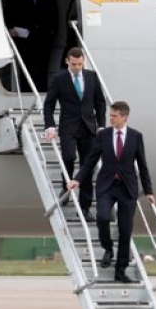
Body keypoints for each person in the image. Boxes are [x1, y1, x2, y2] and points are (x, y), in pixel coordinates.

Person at [67, 101, 156, 283]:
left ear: (124, 117)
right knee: (103, 217)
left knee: (125, 230)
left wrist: (148, 191)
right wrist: (77, 178)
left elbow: (143, 165)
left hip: (127, 188)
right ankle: (108, 248)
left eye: (114, 116)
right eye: (110, 115)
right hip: (107, 185)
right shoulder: (104, 136)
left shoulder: (136, 137)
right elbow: (91, 160)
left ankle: (120, 271)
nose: (111, 118)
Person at [43, 47, 106, 218]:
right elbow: (49, 104)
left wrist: (101, 125)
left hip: (89, 127)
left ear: (83, 61)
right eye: (74, 64)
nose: (77, 67)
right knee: (69, 157)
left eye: (80, 64)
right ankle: (66, 186)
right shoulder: (59, 78)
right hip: (68, 126)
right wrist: (49, 126)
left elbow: (100, 102)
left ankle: (85, 208)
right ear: (67, 61)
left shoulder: (91, 77)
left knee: (87, 167)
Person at [3, 0, 58, 92]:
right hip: (23, 37)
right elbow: (8, 9)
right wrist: (10, 28)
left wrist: (52, 33)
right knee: (26, 69)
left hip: (43, 37)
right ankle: (27, 97)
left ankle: (42, 97)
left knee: (42, 69)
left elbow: (54, 12)